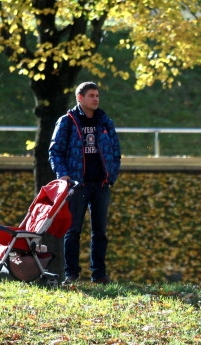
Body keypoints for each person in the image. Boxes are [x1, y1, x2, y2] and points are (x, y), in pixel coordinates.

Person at [49, 82, 121, 284]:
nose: (96, 99)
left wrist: (111, 176)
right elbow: (55, 151)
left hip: (100, 185)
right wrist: (62, 174)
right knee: (73, 231)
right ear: (80, 98)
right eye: (91, 95)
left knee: (100, 232)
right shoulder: (67, 121)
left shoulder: (105, 122)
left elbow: (115, 152)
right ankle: (71, 274)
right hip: (76, 185)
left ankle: (99, 274)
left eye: (97, 95)